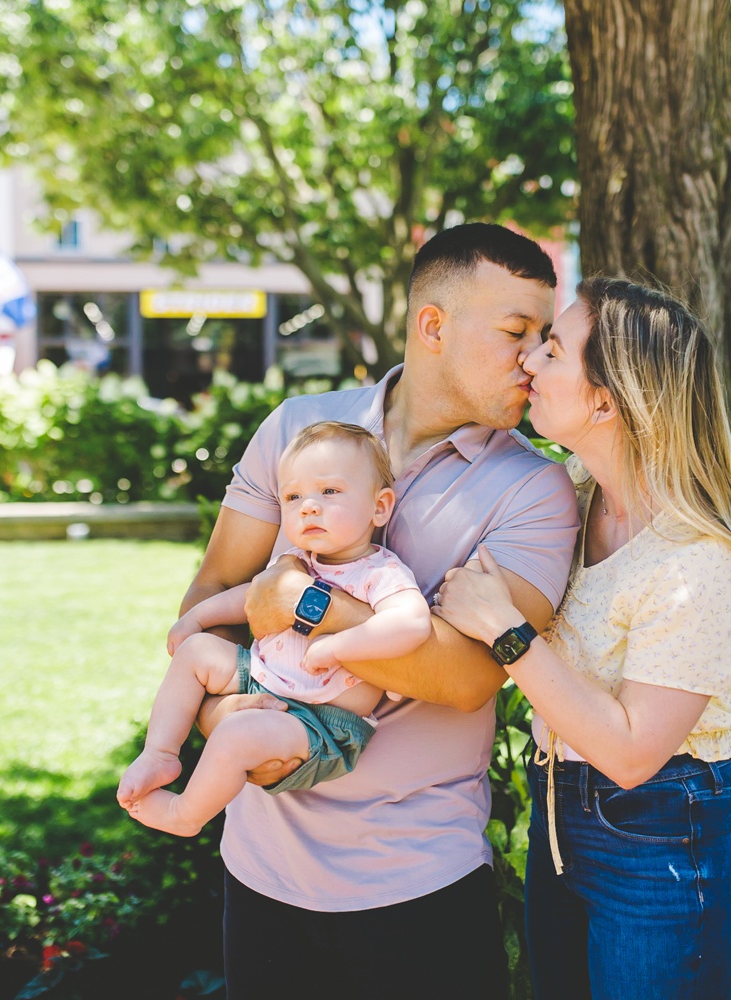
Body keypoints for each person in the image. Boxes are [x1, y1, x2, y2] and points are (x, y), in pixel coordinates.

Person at [175, 223, 582, 1000]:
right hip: (262, 870)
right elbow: (208, 601)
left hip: (419, 879)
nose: (533, 358)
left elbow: (468, 679)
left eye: (544, 337)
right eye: (515, 332)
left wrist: (308, 605)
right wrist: (222, 720)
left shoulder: (534, 490)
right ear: (433, 325)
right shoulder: (297, 427)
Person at [434, 278, 731, 1000]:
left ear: (605, 400)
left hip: (664, 837)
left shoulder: (702, 558)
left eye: (552, 351)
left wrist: (507, 633)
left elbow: (629, 753)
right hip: (559, 812)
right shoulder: (570, 495)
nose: (529, 363)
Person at [115, 421, 431, 837]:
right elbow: (250, 596)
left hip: (322, 721)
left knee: (237, 736)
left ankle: (185, 816)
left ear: (379, 507)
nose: (309, 506)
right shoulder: (296, 559)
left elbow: (411, 624)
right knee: (196, 653)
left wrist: (339, 648)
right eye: (293, 496)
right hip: (267, 680)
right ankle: (160, 753)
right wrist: (198, 618)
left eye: (330, 492)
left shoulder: (380, 573)